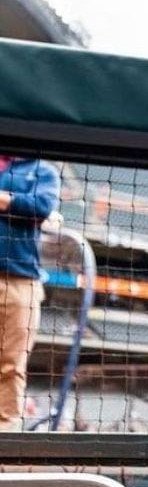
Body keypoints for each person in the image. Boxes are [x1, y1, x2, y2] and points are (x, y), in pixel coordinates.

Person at [0, 156, 60, 431]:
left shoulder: (41, 170)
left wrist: (4, 200)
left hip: (20, 281)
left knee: (12, 363)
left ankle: (6, 435)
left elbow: (41, 206)